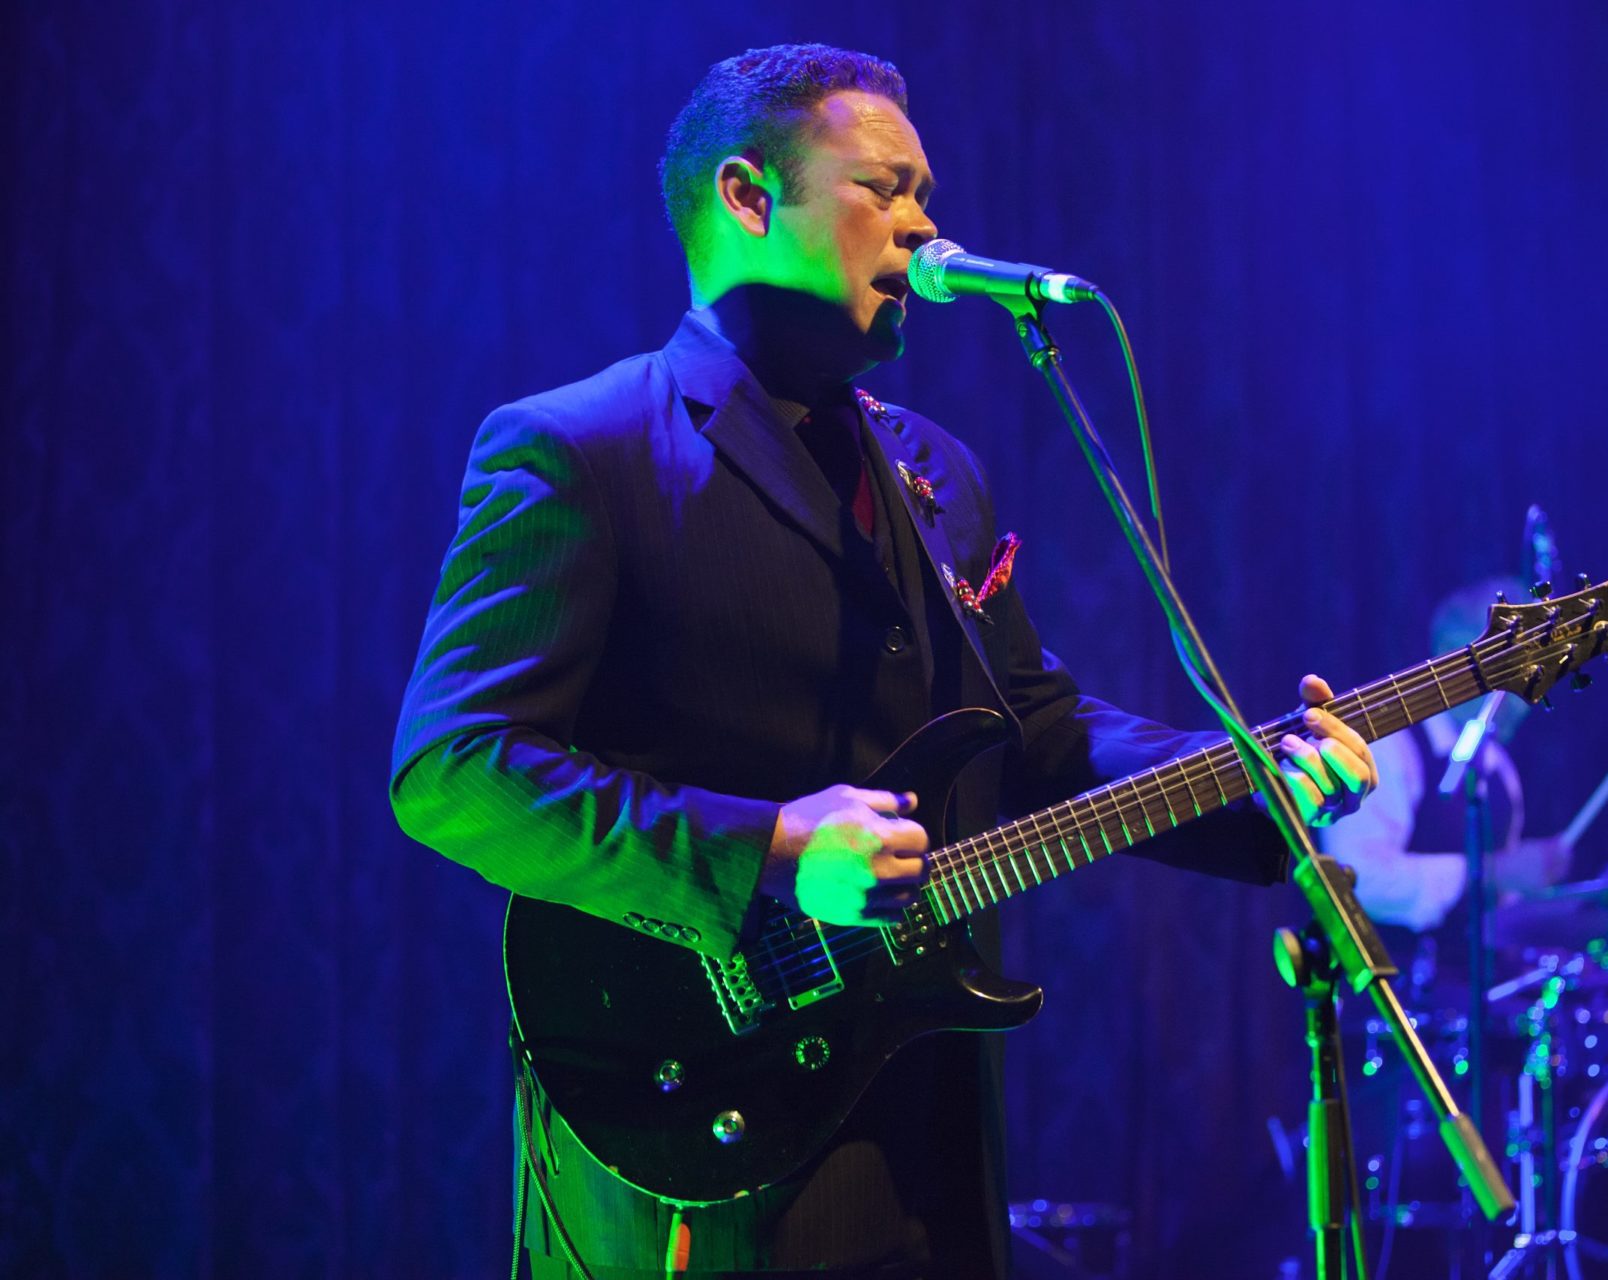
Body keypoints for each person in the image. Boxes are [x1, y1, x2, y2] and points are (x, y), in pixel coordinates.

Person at [391, 44, 1376, 1279]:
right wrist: (769, 854)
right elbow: (450, 766)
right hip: (694, 1108)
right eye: (885, 187)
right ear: (749, 198)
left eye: (927, 190)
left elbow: (1042, 736)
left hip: (928, 1117)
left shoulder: (934, 467)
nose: (925, 223)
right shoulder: (583, 448)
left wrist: (1255, 778)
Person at [1319, 576, 1571, 973]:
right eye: (1512, 666)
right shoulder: (1388, 747)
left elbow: (1499, 911)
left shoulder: (1499, 770)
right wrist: (1492, 873)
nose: (1525, 697)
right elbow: (1356, 881)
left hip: (1475, 1005)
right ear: (1449, 653)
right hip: (1385, 1002)